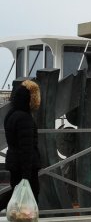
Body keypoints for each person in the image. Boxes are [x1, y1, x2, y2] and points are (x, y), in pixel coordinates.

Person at [0, 80, 41, 209]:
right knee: (31, 196)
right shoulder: (25, 118)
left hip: (14, 162)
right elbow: (26, 148)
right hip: (23, 166)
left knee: (17, 196)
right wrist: (26, 175)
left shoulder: (11, 114)